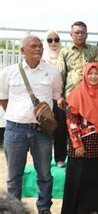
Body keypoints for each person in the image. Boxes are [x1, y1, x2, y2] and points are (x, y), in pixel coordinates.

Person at [0, 35, 62, 214]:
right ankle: (14, 209)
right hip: (15, 129)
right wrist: (20, 114)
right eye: (33, 46)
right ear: (22, 51)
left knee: (44, 174)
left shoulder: (52, 72)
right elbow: (3, 99)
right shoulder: (8, 72)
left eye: (40, 46)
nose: (38, 49)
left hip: (41, 131)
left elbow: (56, 97)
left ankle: (44, 208)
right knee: (13, 176)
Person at [61, 63, 98, 214]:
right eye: (90, 73)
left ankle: (97, 208)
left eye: (96, 73)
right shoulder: (77, 93)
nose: (93, 77)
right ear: (85, 75)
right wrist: (77, 143)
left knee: (97, 177)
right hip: (82, 144)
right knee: (79, 177)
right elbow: (71, 121)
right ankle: (77, 210)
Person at [57, 21, 98, 99]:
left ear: (87, 35)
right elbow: (61, 74)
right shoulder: (64, 52)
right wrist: (60, 95)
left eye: (82, 32)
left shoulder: (94, 50)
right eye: (77, 33)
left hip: (91, 95)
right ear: (71, 35)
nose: (80, 35)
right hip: (71, 93)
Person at [42, 30, 67, 168]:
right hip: (44, 98)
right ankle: (44, 159)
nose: (53, 42)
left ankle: (60, 158)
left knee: (60, 128)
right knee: (44, 129)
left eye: (56, 39)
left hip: (60, 97)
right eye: (50, 40)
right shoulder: (41, 56)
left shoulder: (64, 54)